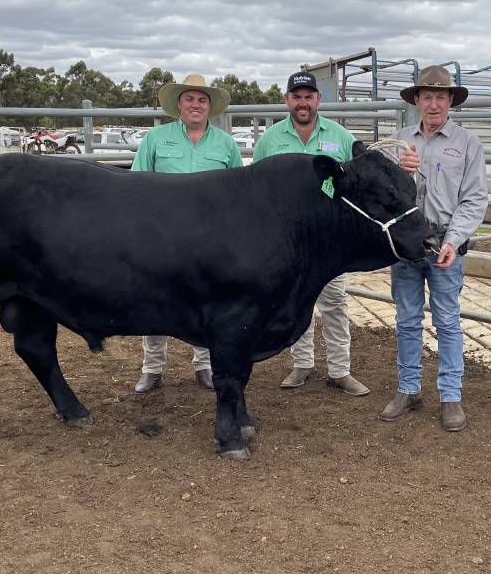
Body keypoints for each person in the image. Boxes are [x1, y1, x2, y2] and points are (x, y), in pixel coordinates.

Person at [379, 65, 488, 432]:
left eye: (441, 96)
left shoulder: (468, 144)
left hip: (443, 241)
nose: (434, 103)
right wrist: (402, 174)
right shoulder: (399, 141)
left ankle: (450, 395)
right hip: (407, 245)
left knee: (447, 320)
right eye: (427, 96)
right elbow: (386, 197)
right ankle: (409, 389)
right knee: (406, 318)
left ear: (450, 101)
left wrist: (454, 241)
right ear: (417, 101)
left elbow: (474, 200)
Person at [252, 71, 370, 397]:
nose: (303, 102)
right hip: (287, 240)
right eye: (297, 96)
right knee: (295, 301)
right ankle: (302, 364)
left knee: (334, 302)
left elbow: (357, 182)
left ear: (318, 99)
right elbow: (255, 187)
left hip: (328, 239)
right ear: (287, 100)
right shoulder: (270, 140)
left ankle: (340, 370)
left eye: (309, 96)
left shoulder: (340, 137)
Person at [131, 74, 243, 393]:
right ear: (179, 104)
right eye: (190, 99)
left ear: (210, 106)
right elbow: (136, 184)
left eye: (202, 100)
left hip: (210, 237)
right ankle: (152, 367)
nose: (196, 105)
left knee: (207, 300)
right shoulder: (156, 138)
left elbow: (237, 191)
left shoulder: (226, 143)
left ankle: (204, 365)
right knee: (156, 298)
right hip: (162, 235)